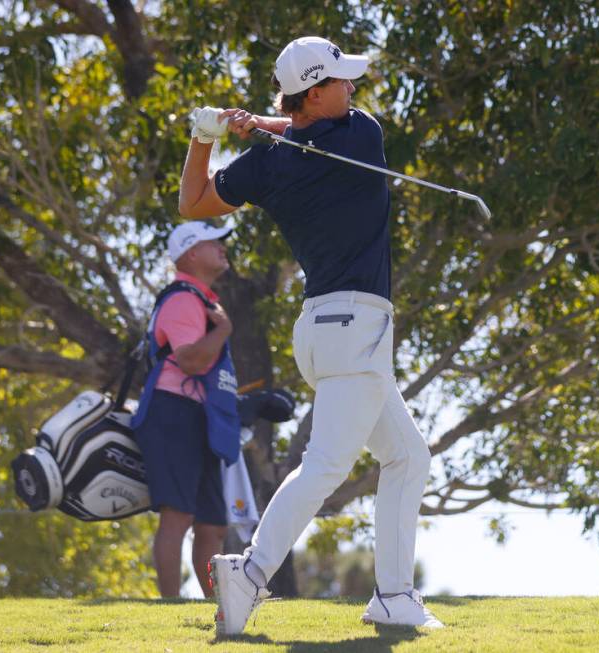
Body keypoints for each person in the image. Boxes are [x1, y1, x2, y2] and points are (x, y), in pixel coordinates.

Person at [179, 36, 441, 635]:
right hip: (356, 329)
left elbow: (193, 202)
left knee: (407, 455)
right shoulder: (360, 135)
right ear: (317, 92)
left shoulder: (269, 161)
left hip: (321, 332)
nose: (353, 87)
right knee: (325, 465)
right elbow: (301, 128)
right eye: (342, 80)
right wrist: (260, 125)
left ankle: (394, 596)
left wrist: (206, 136)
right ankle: (251, 572)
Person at [131, 220, 240, 598]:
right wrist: (223, 331)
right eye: (215, 243)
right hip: (173, 412)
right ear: (192, 253)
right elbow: (191, 361)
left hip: (199, 417)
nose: (223, 248)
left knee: (212, 525)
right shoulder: (182, 298)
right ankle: (171, 606)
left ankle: (220, 608)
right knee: (177, 515)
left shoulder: (203, 299)